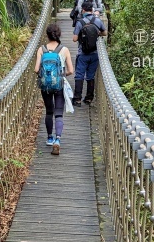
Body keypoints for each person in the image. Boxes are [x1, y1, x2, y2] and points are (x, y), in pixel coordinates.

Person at [35, 23, 74, 156]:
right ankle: (58, 139)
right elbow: (71, 70)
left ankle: (49, 138)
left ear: (47, 35)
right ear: (59, 35)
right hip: (59, 85)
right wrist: (61, 75)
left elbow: (36, 69)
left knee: (49, 111)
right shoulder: (64, 49)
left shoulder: (41, 49)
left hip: (45, 86)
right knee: (58, 112)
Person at [72, 8, 106, 106]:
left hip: (82, 54)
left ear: (83, 10)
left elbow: (74, 39)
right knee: (90, 76)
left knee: (79, 75)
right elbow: (105, 33)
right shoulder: (98, 21)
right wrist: (97, 33)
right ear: (92, 10)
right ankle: (89, 98)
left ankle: (77, 99)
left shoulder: (80, 22)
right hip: (94, 54)